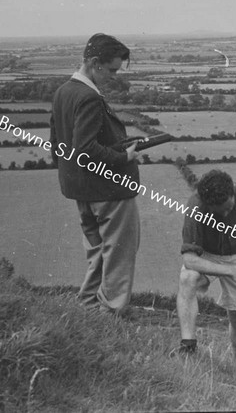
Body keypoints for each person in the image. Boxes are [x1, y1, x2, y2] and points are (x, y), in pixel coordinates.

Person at [50, 33, 140, 314]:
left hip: (80, 190)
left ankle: (89, 304)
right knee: (119, 252)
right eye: (111, 69)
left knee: (98, 251)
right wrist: (123, 156)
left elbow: (57, 145)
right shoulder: (88, 97)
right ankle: (110, 312)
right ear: (93, 63)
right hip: (108, 190)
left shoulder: (64, 91)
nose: (113, 76)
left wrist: (75, 178)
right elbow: (85, 148)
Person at [176, 170, 236, 362]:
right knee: (188, 277)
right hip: (207, 255)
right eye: (220, 211)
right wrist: (231, 272)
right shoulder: (195, 207)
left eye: (229, 208)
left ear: (232, 193)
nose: (226, 213)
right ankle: (188, 347)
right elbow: (190, 260)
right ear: (207, 203)